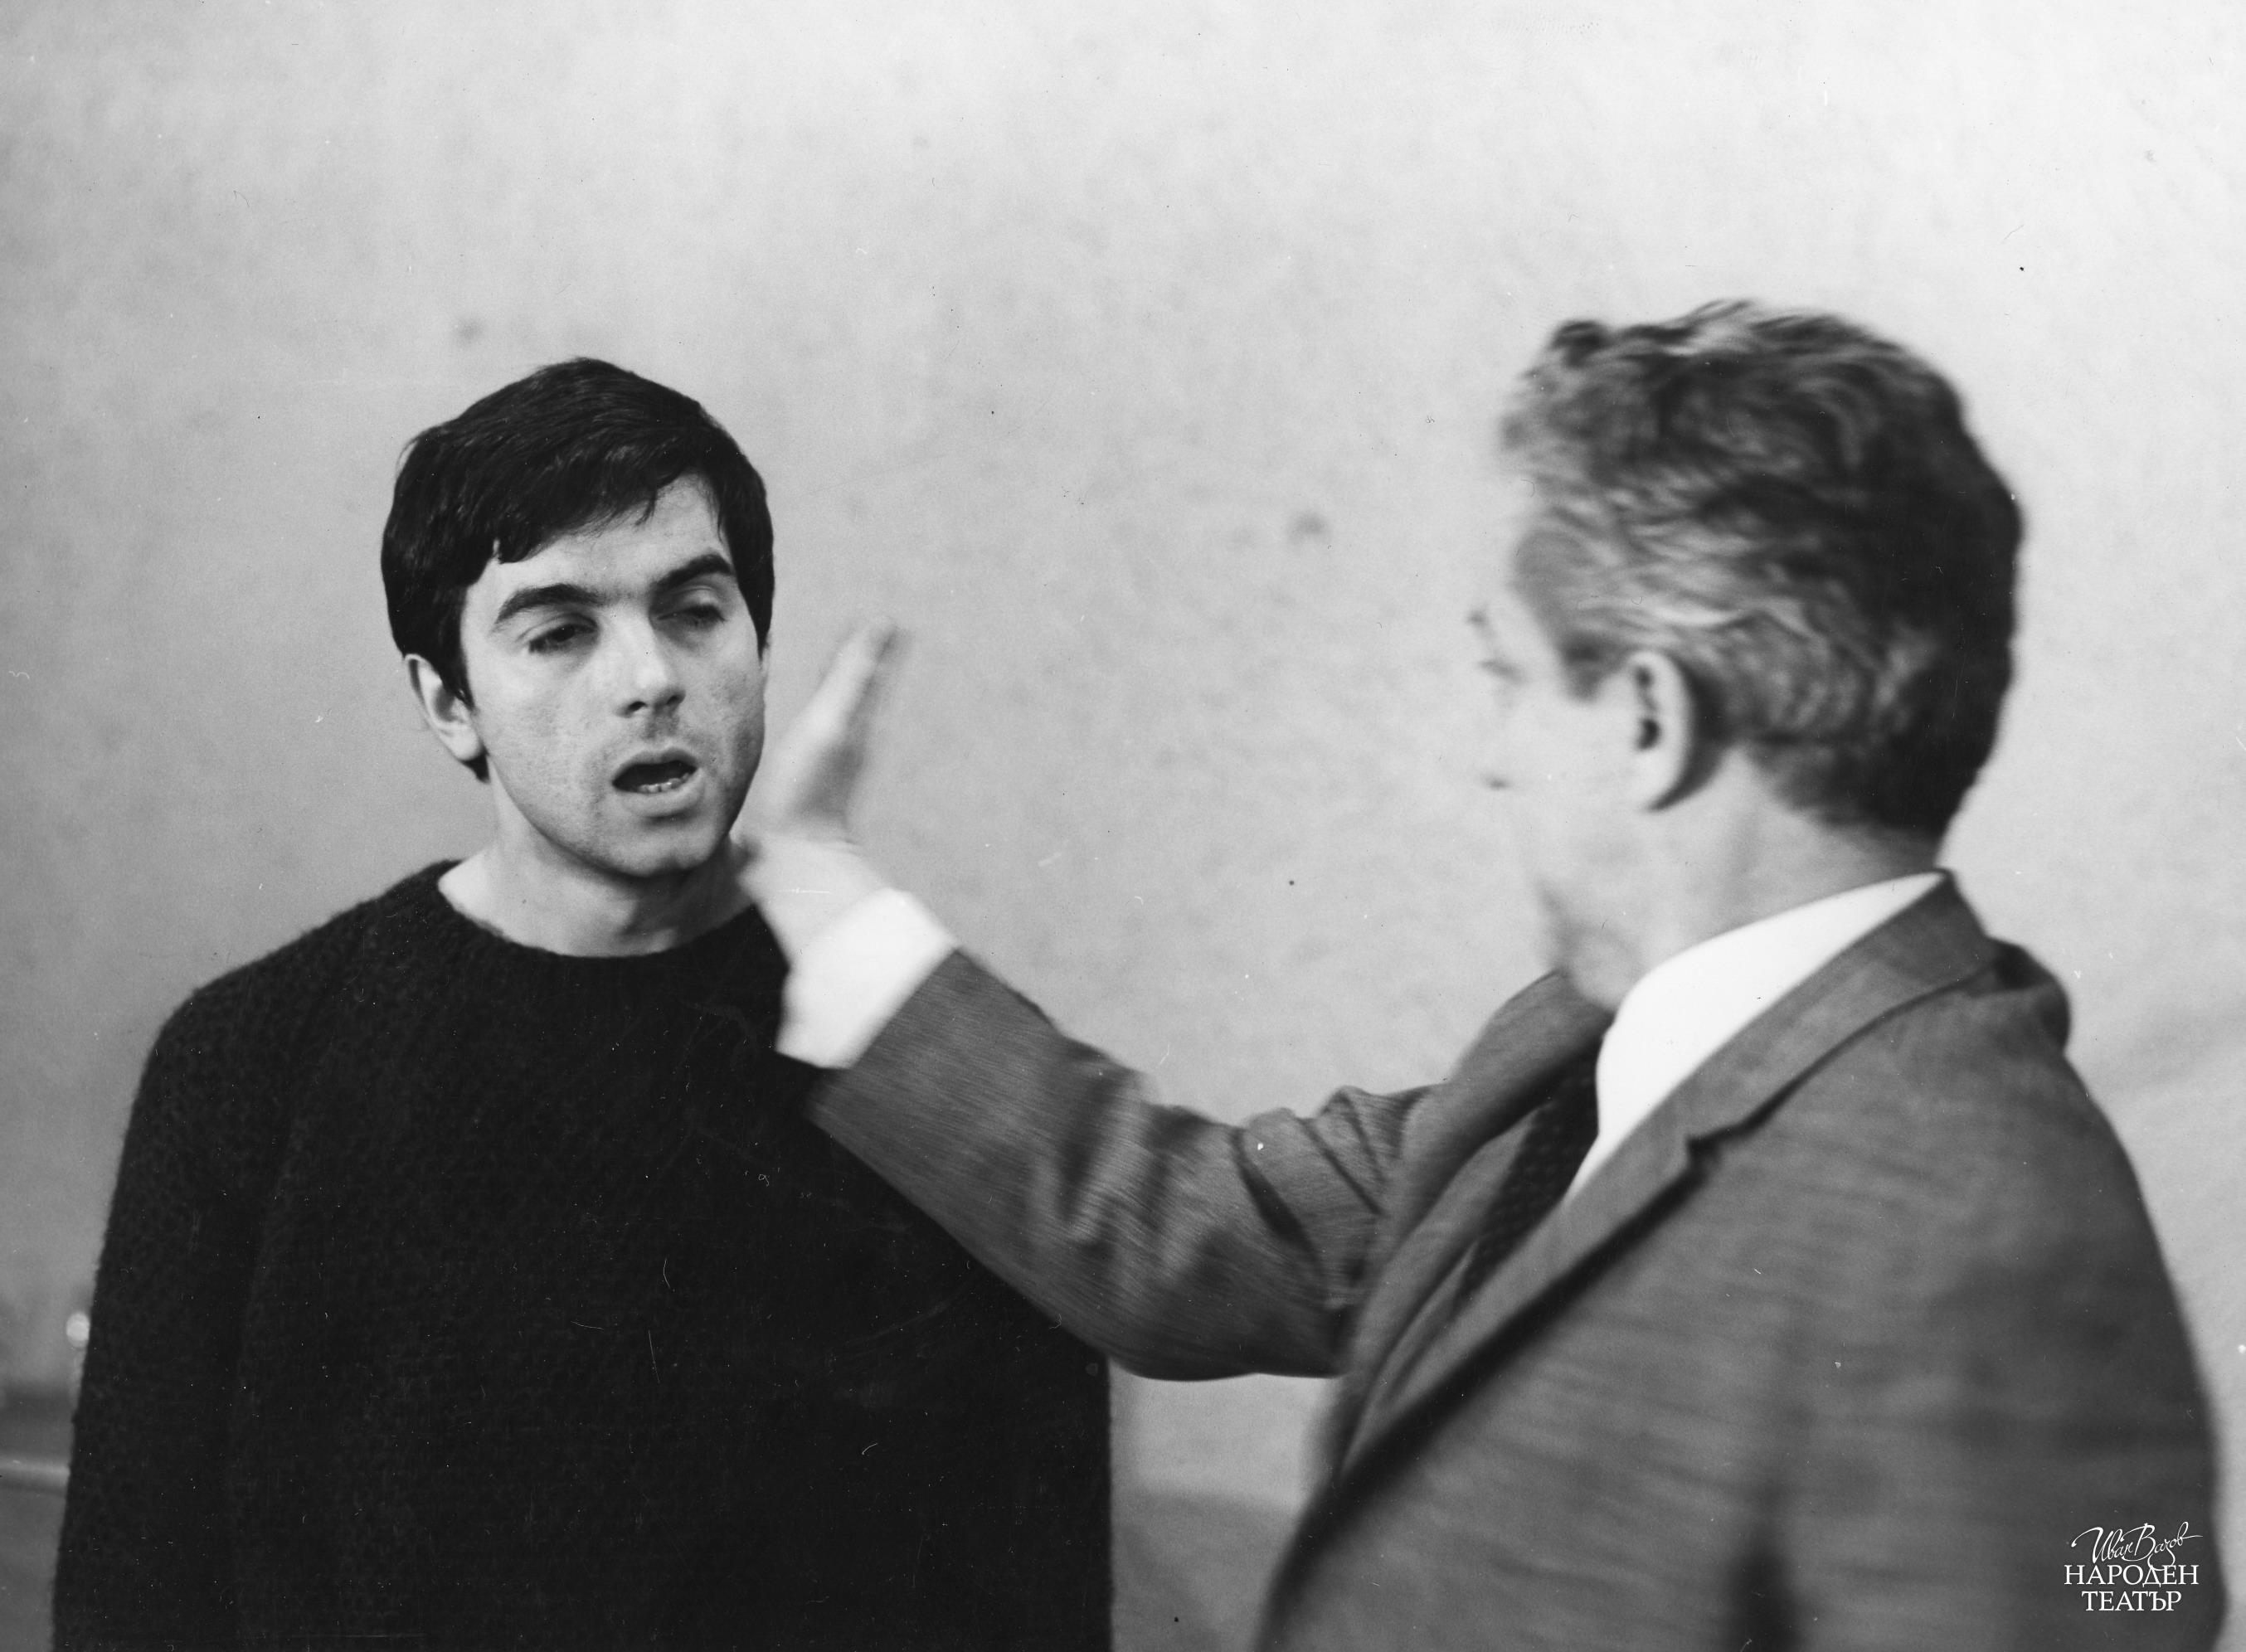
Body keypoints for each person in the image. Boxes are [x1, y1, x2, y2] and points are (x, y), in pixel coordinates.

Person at [741, 303, 2224, 1649]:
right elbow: (1184, 1229)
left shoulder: (1993, 1227)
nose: (1491, 754)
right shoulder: (1597, 1045)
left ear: (1649, 722)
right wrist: (815, 887)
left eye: (1505, 677)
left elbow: (2130, 1598)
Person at [54, 360, 1110, 1650]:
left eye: (695, 611)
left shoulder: (943, 1069)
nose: (651, 677)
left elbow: (1038, 1613)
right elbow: (132, 1606)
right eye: (559, 632)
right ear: (450, 704)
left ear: (759, 645)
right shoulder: (250, 1064)